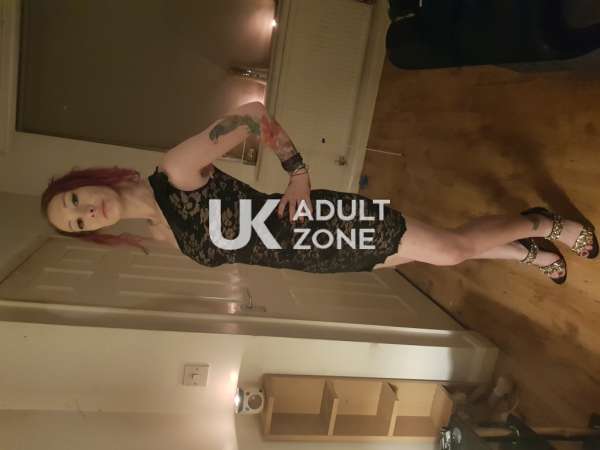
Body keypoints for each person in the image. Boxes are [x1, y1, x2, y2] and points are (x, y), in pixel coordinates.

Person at [42, 101, 597, 283]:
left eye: (73, 201)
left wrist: (298, 173)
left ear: (84, 182)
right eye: (79, 223)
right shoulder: (159, 232)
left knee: (449, 251)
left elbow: (251, 115)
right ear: (96, 233)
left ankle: (545, 224)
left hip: (324, 221)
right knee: (444, 252)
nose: (87, 211)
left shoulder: (175, 172)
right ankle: (525, 251)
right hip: (317, 257)